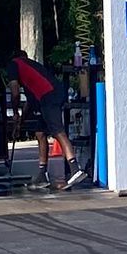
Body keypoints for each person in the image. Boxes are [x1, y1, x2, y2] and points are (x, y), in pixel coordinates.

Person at [5, 47, 87, 190]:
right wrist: (20, 123)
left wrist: (15, 113)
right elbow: (30, 103)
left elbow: (15, 93)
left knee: (57, 131)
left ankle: (75, 168)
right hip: (51, 94)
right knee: (40, 133)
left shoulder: (14, 64)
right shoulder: (30, 70)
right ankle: (42, 175)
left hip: (49, 96)